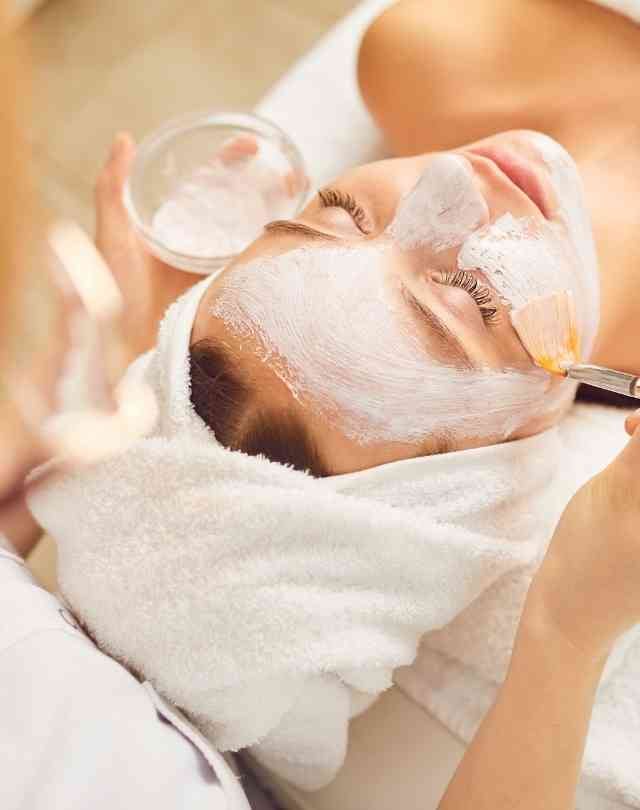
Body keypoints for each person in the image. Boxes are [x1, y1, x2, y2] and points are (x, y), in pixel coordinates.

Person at [5, 5, 640, 810]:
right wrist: (565, 631)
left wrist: (128, 351)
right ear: (504, 465)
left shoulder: (433, 58)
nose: (446, 183)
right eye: (468, 299)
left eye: (341, 213)